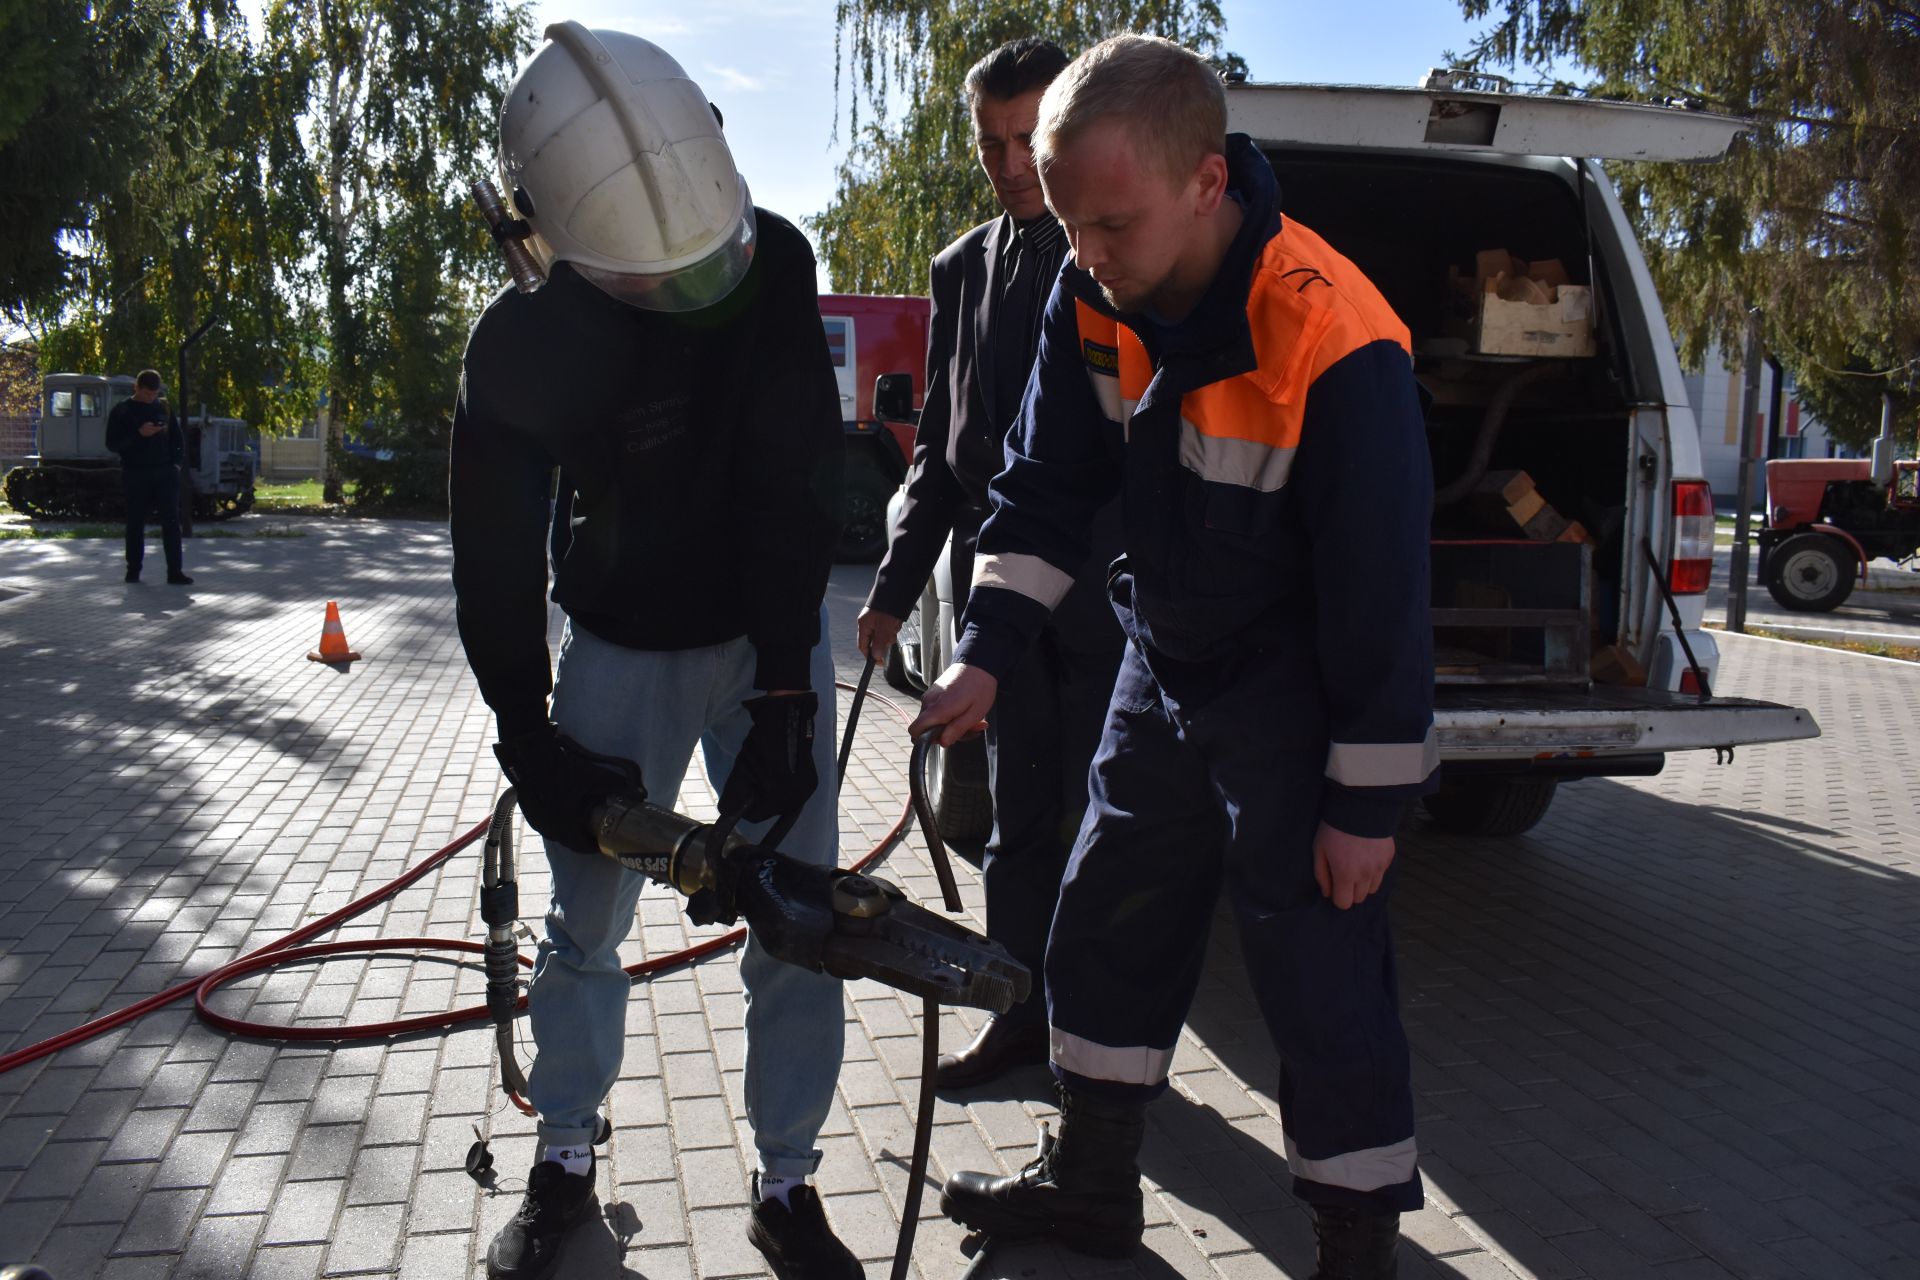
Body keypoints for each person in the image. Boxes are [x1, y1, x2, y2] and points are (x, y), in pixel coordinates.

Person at [914, 35, 1436, 1280]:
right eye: (1069, 223)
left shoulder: (1334, 335)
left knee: (1316, 963)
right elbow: (1041, 487)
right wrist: (985, 653)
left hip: (1297, 694)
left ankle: (1355, 1245)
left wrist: (1366, 802)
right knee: (1106, 911)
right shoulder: (1094, 293)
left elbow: (1382, 593)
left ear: (1207, 186)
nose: (1085, 254)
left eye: (1110, 222)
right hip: (1166, 660)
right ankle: (1093, 1185)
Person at [449, 23, 855, 1280]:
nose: (691, 293)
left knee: (801, 918)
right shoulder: (519, 345)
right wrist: (532, 734)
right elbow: (497, 559)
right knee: (586, 923)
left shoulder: (772, 262)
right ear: (552, 240)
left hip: (760, 639)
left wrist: (789, 680)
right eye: (648, 278)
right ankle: (564, 1151)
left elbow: (800, 473)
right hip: (620, 646)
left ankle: (787, 1178)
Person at [856, 36, 1124, 1092]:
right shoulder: (961, 268)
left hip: (1103, 599)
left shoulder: (1112, 248)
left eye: (1027, 138)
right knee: (1014, 824)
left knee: (1108, 828)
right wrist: (888, 588)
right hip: (997, 600)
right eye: (991, 144)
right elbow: (941, 452)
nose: (1012, 165)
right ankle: (1017, 1020)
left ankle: (1102, 1055)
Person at [105, 369, 191, 585]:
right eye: (146, 394)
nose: (150, 398)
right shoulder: (122, 410)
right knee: (135, 523)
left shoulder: (163, 407)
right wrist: (138, 434)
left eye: (154, 394)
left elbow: (177, 439)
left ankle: (175, 572)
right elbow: (112, 444)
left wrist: (176, 464)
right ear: (137, 387)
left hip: (165, 472)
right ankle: (133, 570)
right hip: (136, 472)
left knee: (171, 523)